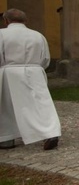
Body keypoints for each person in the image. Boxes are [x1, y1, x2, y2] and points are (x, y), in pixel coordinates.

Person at [0, 9, 61, 150]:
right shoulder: (37, 36)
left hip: (9, 72)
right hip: (35, 72)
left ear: (6, 20)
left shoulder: (2, 34)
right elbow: (45, 58)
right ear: (25, 20)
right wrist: (37, 68)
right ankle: (50, 132)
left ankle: (6, 138)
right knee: (40, 104)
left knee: (8, 106)